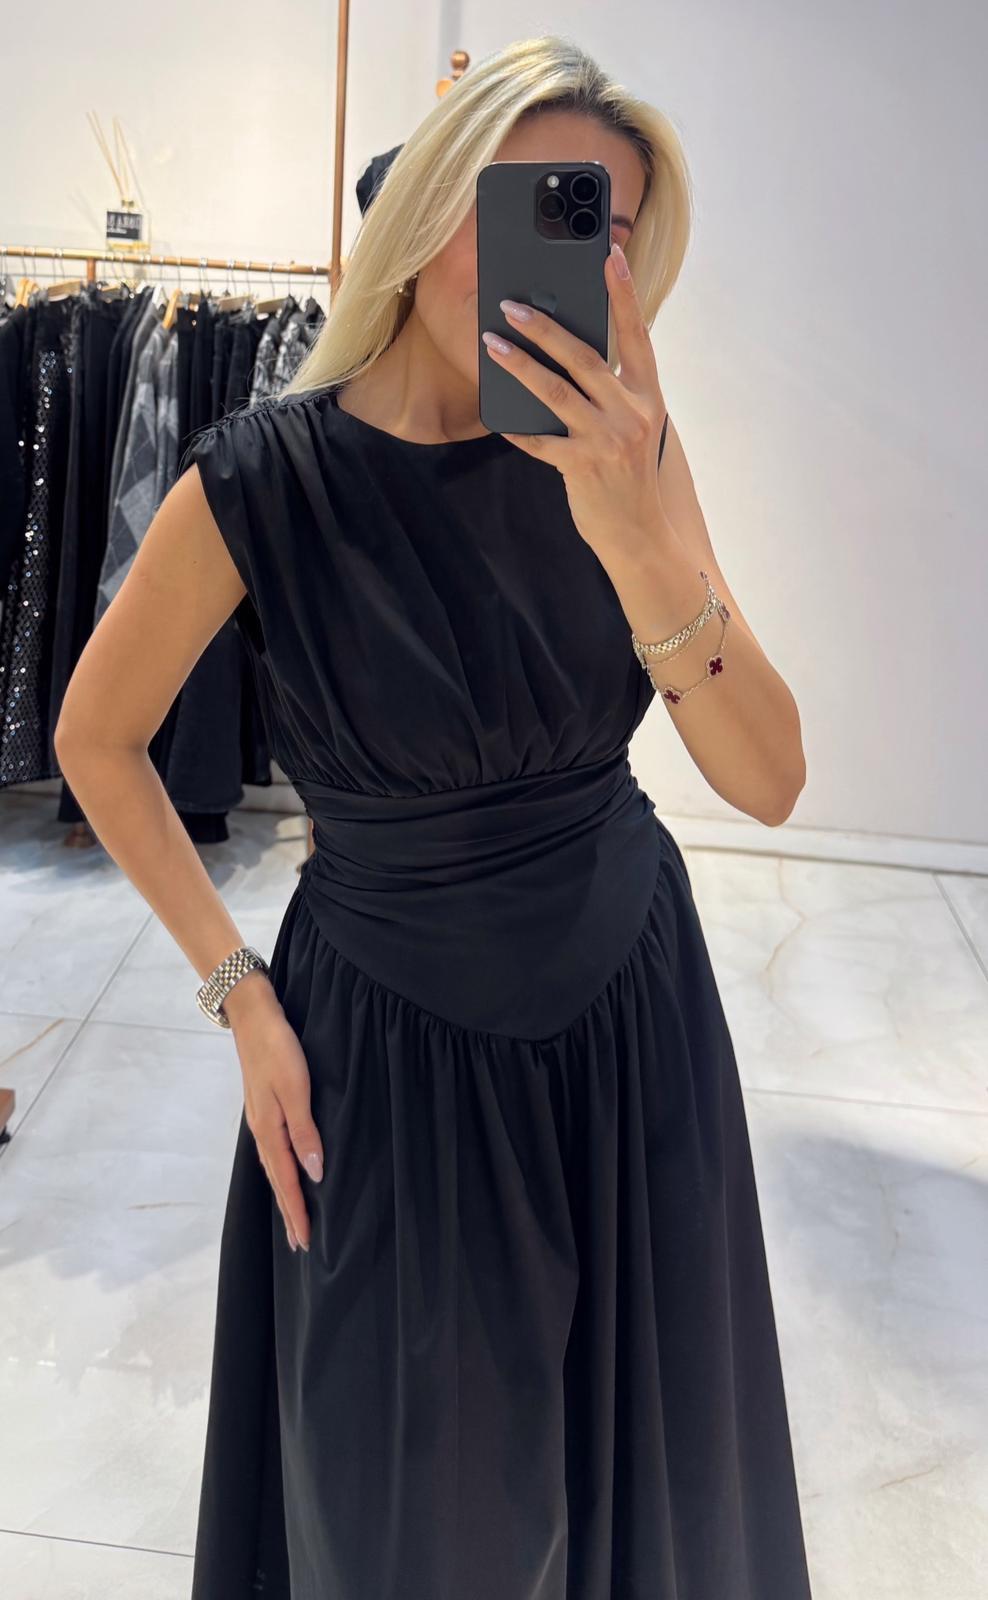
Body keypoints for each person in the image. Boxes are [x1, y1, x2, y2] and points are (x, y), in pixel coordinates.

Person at [55, 34, 812, 1600]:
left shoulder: (628, 456)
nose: (568, 252)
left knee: (658, 1492)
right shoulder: (266, 478)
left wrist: (639, 533)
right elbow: (97, 738)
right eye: (527, 201)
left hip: (631, 1016)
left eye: (602, 224)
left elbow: (769, 776)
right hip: (387, 1053)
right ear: (423, 212)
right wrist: (237, 994)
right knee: (410, 1514)